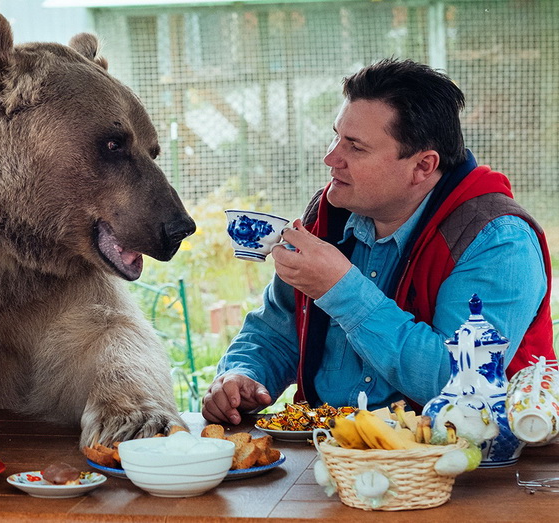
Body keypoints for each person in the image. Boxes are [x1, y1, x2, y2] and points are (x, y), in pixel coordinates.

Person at [203, 58, 553, 425]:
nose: (330, 157)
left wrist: (341, 289)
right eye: (336, 135)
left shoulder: (498, 240)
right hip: (330, 453)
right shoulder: (328, 214)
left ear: (423, 166)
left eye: (355, 147)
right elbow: (277, 332)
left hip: (467, 468)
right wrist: (243, 376)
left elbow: (464, 387)